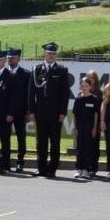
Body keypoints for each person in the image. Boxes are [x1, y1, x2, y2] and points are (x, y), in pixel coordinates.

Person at [32, 42, 71, 178]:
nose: (51, 56)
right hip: (40, 112)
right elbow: (31, 92)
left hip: (55, 114)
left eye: (54, 54)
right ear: (44, 54)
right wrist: (31, 111)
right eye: (49, 53)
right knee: (41, 142)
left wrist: (62, 112)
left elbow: (65, 94)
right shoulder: (37, 69)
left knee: (55, 142)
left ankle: (52, 169)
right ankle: (41, 168)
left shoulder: (61, 70)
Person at [5, 48, 32, 172]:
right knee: (5, 137)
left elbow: (29, 95)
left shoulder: (26, 74)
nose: (10, 59)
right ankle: (5, 161)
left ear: (19, 59)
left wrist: (28, 112)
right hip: (6, 112)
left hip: (21, 112)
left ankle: (20, 162)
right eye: (9, 57)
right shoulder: (4, 73)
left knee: (21, 138)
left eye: (13, 57)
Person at [71, 73, 101, 179]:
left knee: (88, 148)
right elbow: (75, 115)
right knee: (80, 148)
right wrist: (75, 128)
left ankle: (86, 170)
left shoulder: (94, 99)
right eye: (82, 86)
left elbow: (96, 115)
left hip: (90, 127)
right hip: (80, 127)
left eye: (86, 86)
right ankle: (79, 169)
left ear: (90, 87)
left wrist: (94, 128)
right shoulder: (78, 99)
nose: (84, 88)